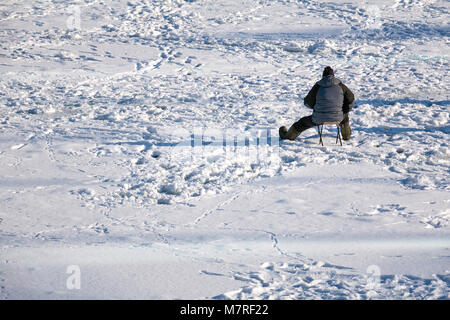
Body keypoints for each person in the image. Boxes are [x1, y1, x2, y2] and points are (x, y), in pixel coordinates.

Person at [279, 66, 354, 141]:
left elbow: (308, 102)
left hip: (318, 118)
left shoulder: (318, 86)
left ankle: (287, 136)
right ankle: (346, 136)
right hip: (338, 117)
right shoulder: (341, 86)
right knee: (345, 118)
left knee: (301, 123)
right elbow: (351, 98)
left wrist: (317, 107)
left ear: (323, 76)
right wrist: (344, 110)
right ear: (333, 75)